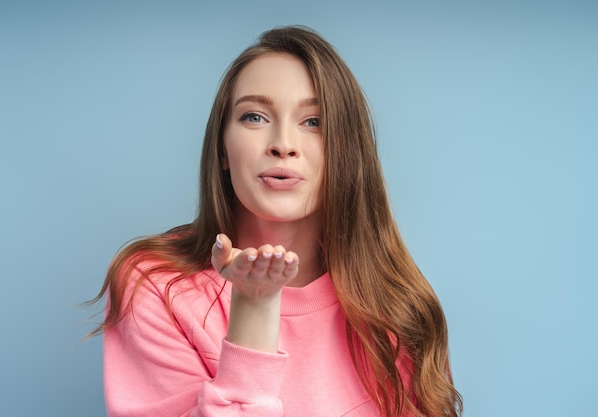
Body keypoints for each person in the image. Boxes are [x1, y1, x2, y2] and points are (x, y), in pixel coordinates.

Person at [89, 26, 462, 417]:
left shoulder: (394, 305)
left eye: (314, 122)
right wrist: (253, 305)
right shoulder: (156, 285)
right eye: (254, 117)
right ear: (222, 150)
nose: (283, 144)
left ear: (347, 153)